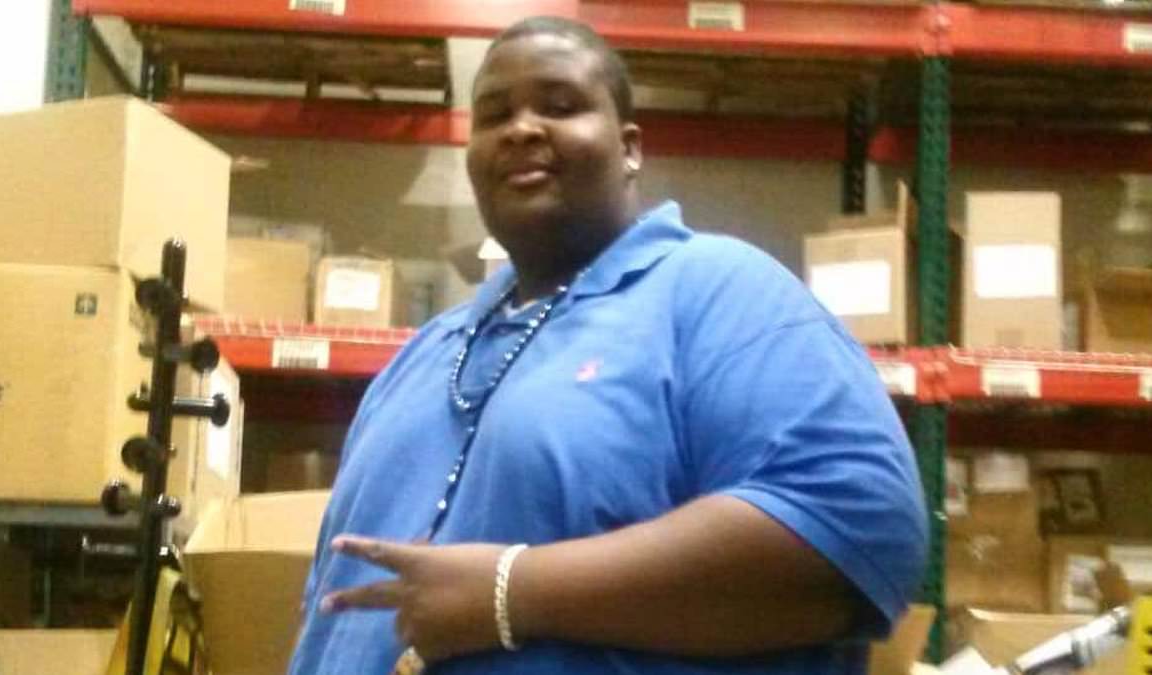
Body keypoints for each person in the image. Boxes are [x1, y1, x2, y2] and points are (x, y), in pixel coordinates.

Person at [287, 15, 928, 675]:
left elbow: (861, 526)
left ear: (630, 148)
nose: (521, 129)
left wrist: (513, 591)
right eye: (494, 115)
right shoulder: (422, 356)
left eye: (560, 105)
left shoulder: (715, 291)